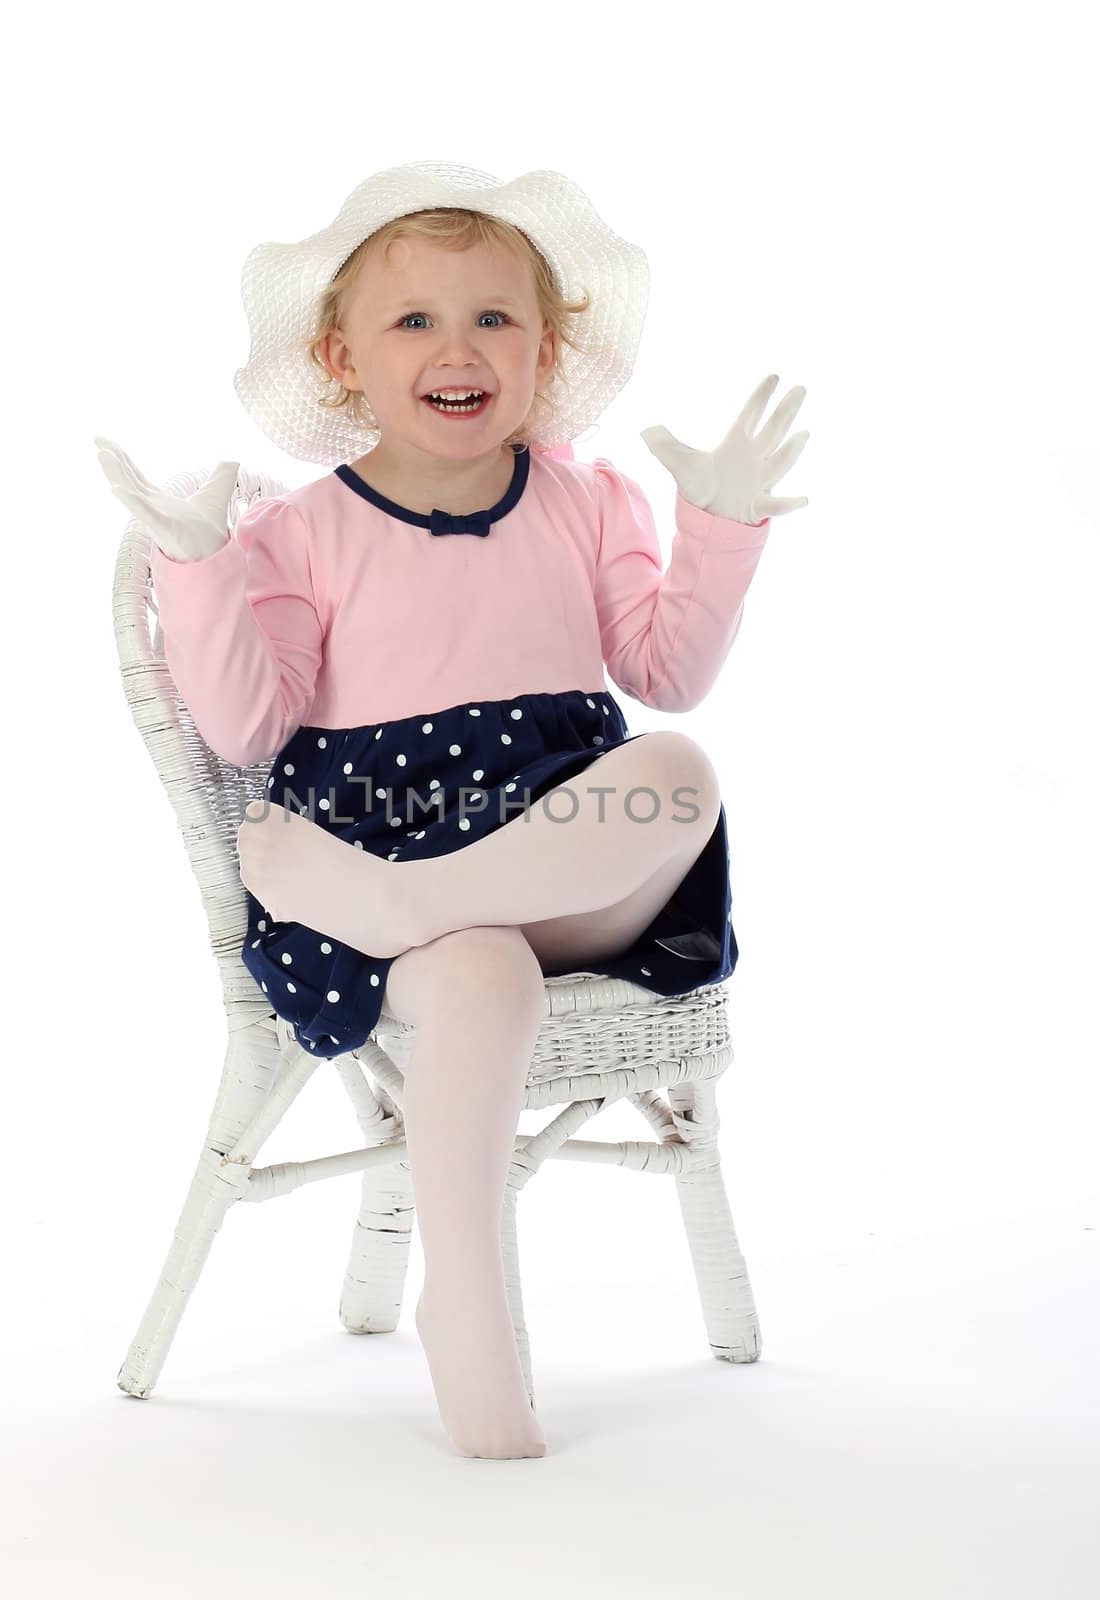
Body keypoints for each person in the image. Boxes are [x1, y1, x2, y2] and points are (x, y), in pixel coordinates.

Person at [95, 160, 809, 1462]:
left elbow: (667, 674)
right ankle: (468, 1320)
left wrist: (719, 526)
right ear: (342, 358)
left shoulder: (588, 501)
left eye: (494, 318)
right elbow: (251, 729)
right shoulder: (305, 533)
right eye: (415, 320)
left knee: (681, 771)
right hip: (402, 863)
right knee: (470, 973)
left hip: (556, 865)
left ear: (546, 352)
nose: (458, 347)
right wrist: (201, 568)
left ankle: (404, 907)